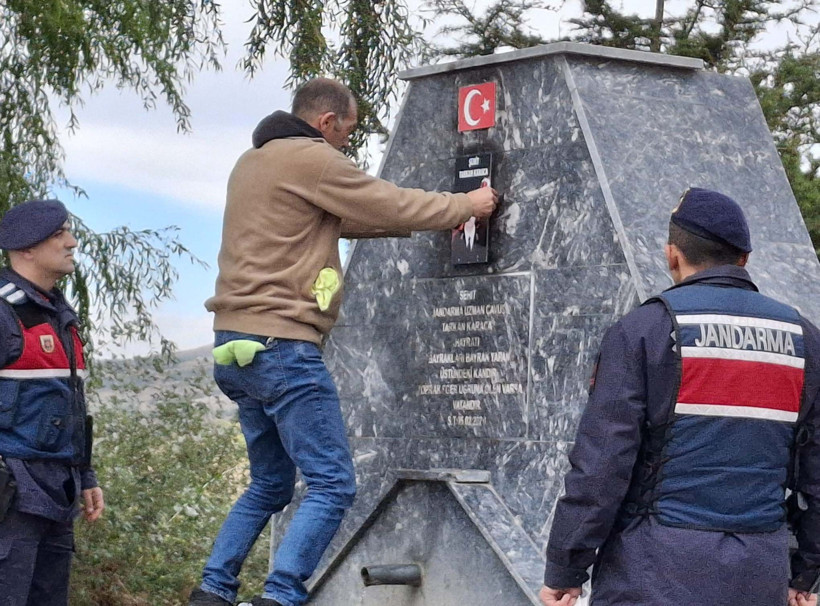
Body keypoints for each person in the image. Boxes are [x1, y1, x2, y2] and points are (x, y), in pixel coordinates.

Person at [191, 77, 498, 606]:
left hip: (235, 346)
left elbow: (346, 219)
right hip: (282, 344)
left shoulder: (255, 161)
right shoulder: (314, 159)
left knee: (268, 485)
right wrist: (466, 205)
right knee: (333, 484)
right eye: (349, 130)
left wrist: (414, 223)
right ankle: (280, 597)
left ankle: (213, 591)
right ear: (327, 121)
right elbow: (389, 203)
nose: (349, 144)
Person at [540, 188, 820, 606]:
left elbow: (601, 465)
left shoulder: (644, 330)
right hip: (759, 574)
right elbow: (815, 473)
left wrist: (566, 567)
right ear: (744, 258)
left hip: (653, 572)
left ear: (673, 255)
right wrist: (806, 573)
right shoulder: (805, 340)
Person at [0, 199, 104, 605]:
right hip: (10, 497)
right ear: (27, 248)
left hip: (57, 494)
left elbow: (70, 408)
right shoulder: (4, 312)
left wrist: (86, 476)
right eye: (59, 234)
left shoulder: (59, 314)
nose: (72, 242)